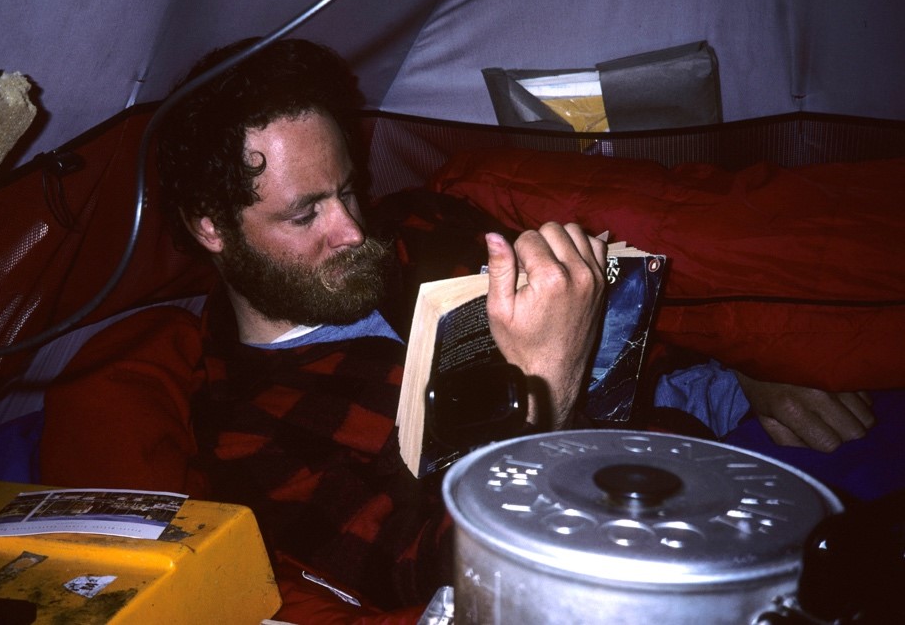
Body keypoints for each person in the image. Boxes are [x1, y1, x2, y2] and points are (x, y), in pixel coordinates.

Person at [49, 36, 876, 609]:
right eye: (306, 214)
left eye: (347, 189)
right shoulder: (248, 435)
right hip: (625, 551)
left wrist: (751, 369)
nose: (351, 230)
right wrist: (540, 387)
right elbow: (443, 573)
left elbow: (644, 313)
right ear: (211, 229)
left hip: (714, 445)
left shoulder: (412, 234)